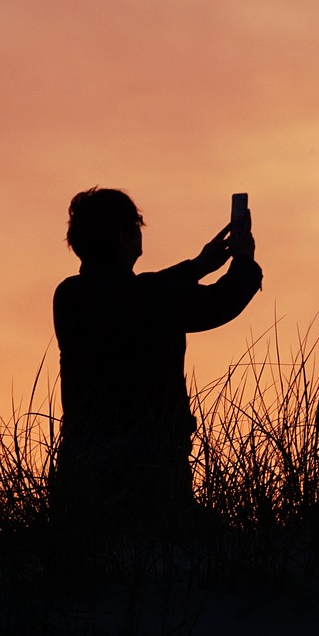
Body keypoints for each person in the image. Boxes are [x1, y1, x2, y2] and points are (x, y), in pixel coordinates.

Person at [50, 187, 261, 541]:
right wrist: (244, 261)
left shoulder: (69, 294)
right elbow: (218, 303)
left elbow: (133, 292)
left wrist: (196, 266)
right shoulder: (151, 296)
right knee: (164, 550)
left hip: (81, 454)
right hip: (145, 455)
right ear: (124, 235)